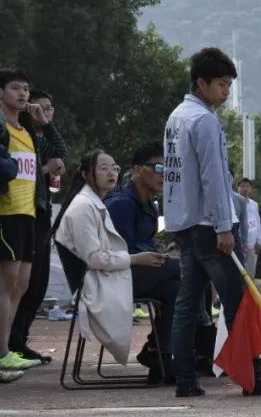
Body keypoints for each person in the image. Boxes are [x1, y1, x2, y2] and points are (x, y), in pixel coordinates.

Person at [163, 47, 261, 397]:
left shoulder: (176, 117)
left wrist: (178, 225)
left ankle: (185, 379)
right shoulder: (203, 121)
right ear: (201, 83)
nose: (226, 92)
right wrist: (224, 225)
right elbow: (214, 179)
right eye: (222, 85)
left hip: (188, 226)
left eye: (229, 85)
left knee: (188, 303)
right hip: (210, 226)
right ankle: (255, 375)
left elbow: (174, 179)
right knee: (239, 301)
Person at [55, 150, 167, 367]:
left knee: (176, 285)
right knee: (183, 274)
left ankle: (161, 355)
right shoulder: (83, 207)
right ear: (87, 173)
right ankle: (165, 356)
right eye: (103, 168)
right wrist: (135, 259)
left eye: (114, 168)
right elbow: (94, 259)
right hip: (97, 283)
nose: (111, 173)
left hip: (109, 275)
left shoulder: (96, 202)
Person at [106, 141, 182, 383]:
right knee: (190, 269)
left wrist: (162, 254)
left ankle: (159, 355)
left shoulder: (149, 204)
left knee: (178, 289)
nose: (164, 176)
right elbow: (119, 253)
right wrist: (164, 260)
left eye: (168, 170)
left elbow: (145, 248)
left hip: (136, 274)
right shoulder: (121, 204)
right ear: (137, 170)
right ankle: (165, 354)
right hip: (114, 278)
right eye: (158, 168)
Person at [0, 68, 50, 382]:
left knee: (21, 284)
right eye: (15, 88)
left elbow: (56, 153)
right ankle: (2, 353)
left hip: (28, 213)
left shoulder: (25, 130)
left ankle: (6, 349)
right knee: (6, 285)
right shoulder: (1, 127)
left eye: (26, 89)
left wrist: (44, 122)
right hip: (7, 213)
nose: (23, 94)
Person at [11, 89, 68, 364]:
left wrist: (47, 125)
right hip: (22, 213)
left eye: (49, 109)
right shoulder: (19, 134)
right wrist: (46, 169)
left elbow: (61, 151)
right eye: (39, 108)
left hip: (41, 212)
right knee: (20, 283)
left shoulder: (39, 136)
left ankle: (19, 339)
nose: (44, 113)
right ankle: (11, 342)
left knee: (37, 283)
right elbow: (17, 171)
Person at [236, 177, 261, 278]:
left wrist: (259, 241)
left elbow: (258, 222)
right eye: (242, 186)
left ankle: (249, 294)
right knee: (238, 274)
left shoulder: (254, 204)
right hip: (239, 244)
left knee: (250, 275)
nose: (245, 189)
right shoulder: (234, 203)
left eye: (247, 186)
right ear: (237, 188)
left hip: (253, 244)